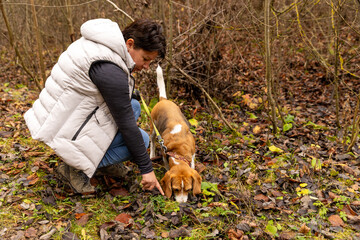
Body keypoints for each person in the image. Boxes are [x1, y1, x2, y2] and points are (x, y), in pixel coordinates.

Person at [24, 18, 166, 195]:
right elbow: (127, 125)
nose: (146, 66)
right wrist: (147, 169)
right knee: (142, 139)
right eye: (145, 59)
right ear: (130, 44)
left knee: (134, 106)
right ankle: (75, 169)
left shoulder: (100, 44)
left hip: (60, 118)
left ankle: (100, 163)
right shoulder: (109, 69)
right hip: (64, 131)